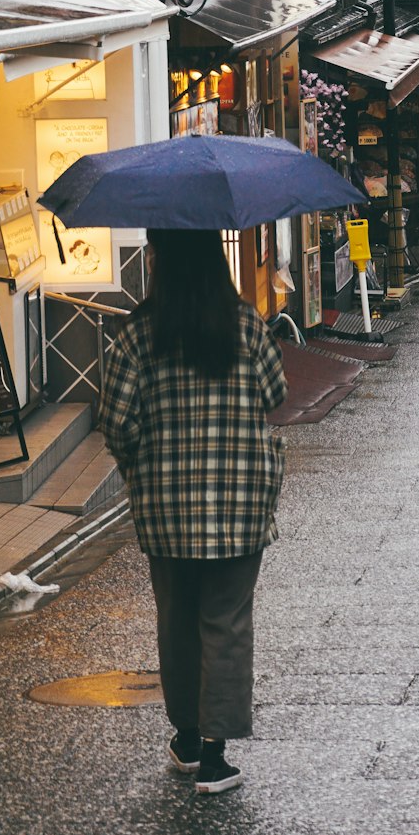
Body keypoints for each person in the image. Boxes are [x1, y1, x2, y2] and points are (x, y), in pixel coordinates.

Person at [98, 228, 287, 795]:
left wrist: (142, 468)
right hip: (240, 503)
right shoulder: (246, 324)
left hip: (165, 507)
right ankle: (214, 755)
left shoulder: (135, 334)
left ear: (159, 261)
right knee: (225, 623)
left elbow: (115, 421)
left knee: (177, 620)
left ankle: (185, 736)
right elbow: (275, 395)